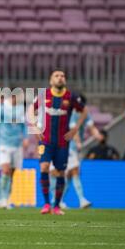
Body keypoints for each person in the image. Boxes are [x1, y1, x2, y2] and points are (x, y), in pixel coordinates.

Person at [30, 69, 88, 215]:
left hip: (62, 142)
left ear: (65, 80)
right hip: (46, 141)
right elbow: (31, 109)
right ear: (51, 81)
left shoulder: (70, 96)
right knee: (43, 167)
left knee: (61, 172)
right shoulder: (44, 95)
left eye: (62, 76)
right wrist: (34, 127)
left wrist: (75, 129)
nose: (60, 78)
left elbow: (84, 111)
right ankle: (47, 204)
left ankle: (56, 206)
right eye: (57, 76)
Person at [50, 97, 104, 209]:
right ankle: (81, 199)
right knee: (73, 172)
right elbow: (73, 130)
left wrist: (98, 135)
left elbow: (91, 127)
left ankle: (58, 200)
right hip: (66, 146)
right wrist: (78, 142)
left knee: (69, 175)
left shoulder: (85, 114)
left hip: (73, 148)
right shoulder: (72, 113)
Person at [0, 91, 28, 209]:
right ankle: (1, 199)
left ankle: (5, 198)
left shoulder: (21, 109)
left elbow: (23, 126)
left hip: (16, 145)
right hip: (3, 144)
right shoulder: (1, 109)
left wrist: (25, 138)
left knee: (11, 174)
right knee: (5, 171)